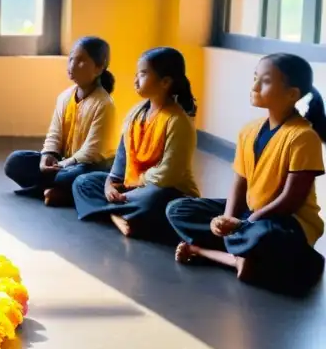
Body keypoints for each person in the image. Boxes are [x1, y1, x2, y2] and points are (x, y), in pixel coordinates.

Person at [166, 54, 326, 295]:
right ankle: (241, 256)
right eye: (254, 78)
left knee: (266, 236)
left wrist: (244, 223)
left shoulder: (303, 137)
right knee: (177, 209)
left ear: (292, 94)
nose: (254, 87)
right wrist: (226, 221)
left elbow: (291, 200)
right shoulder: (248, 131)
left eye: (265, 81)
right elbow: (239, 183)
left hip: (285, 222)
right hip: (247, 217)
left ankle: (207, 252)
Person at [72, 47, 199, 241]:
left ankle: (113, 213)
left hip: (164, 190)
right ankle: (119, 216)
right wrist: (110, 184)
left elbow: (168, 174)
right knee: (84, 182)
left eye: (143, 74)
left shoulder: (178, 121)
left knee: (153, 201)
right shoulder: (136, 112)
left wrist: (136, 186)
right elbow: (123, 157)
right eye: (136, 74)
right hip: (131, 188)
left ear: (165, 82)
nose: (135, 80)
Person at [4, 36, 117, 206]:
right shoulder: (64, 97)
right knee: (15, 161)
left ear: (99, 68)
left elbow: (91, 152)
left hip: (89, 166)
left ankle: (56, 191)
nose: (72, 65)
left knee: (72, 176)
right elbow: (54, 134)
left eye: (81, 61)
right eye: (71, 58)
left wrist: (62, 164)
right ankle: (57, 192)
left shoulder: (104, 104)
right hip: (64, 163)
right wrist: (47, 156)